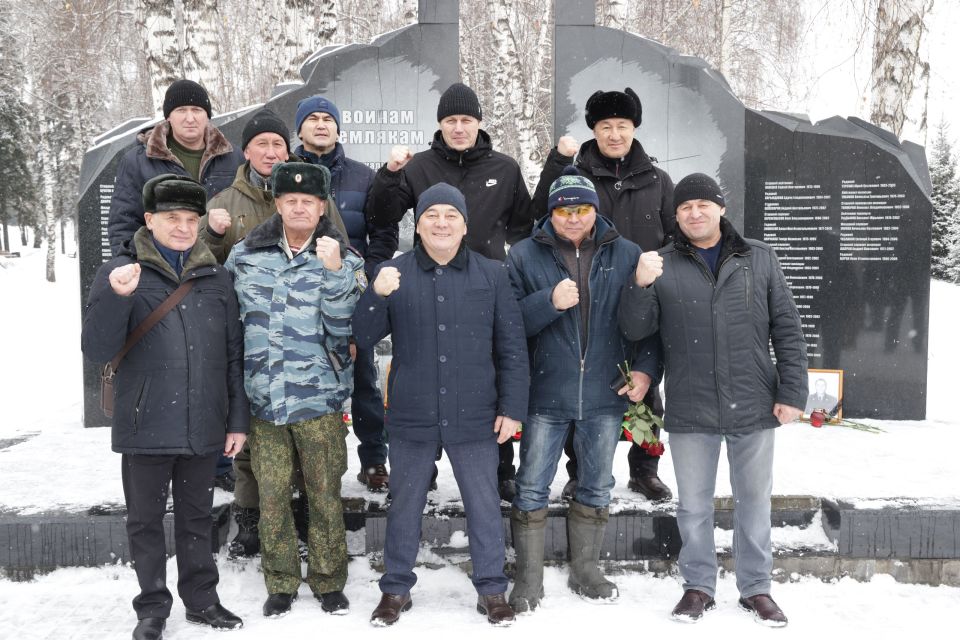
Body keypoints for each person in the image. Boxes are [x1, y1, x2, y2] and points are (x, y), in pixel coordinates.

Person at [619, 173, 807, 626]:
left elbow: (786, 327)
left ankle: (756, 587)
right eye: (685, 207)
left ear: (721, 209)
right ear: (677, 215)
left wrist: (792, 391)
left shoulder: (758, 258)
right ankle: (699, 586)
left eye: (703, 204)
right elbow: (638, 331)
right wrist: (640, 286)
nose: (695, 213)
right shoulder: (661, 263)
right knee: (693, 505)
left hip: (753, 402)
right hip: (691, 405)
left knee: (754, 501)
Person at [354, 183, 529, 627]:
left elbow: (511, 347)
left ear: (465, 225)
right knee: (405, 502)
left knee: (484, 503)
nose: (441, 223)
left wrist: (512, 408)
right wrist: (377, 294)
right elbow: (362, 337)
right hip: (413, 413)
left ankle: (492, 588)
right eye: (432, 215)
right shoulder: (395, 272)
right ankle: (395, 589)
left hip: (475, 413)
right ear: (419, 223)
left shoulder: (492, 274)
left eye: (451, 215)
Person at [82, 174, 247, 639]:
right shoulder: (123, 271)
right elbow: (95, 348)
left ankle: (202, 600)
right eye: (171, 218)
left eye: (190, 219)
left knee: (198, 517)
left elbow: (233, 354)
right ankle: (152, 608)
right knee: (145, 521)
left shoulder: (216, 277)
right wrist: (118, 296)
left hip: (203, 422)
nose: (182, 227)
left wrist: (236, 420)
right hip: (145, 422)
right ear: (150, 219)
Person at [365, 82, 534, 499]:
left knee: (486, 376)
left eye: (467, 120)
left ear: (478, 122)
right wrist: (389, 176)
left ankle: (499, 467)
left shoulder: (506, 168)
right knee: (427, 373)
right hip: (428, 281)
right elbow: (381, 214)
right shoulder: (419, 166)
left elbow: (524, 228)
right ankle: (425, 467)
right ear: (440, 124)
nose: (459, 128)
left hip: (485, 287)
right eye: (450, 121)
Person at [505, 167, 660, 610]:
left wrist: (645, 373)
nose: (573, 218)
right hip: (544, 393)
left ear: (596, 210)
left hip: (603, 395)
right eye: (563, 210)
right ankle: (529, 579)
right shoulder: (523, 256)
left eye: (583, 209)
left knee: (596, 484)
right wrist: (547, 303)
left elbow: (647, 325)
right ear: (550, 212)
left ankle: (587, 570)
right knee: (531, 484)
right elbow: (508, 325)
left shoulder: (626, 253)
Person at [198, 108, 347, 558]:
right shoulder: (225, 199)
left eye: (277, 144)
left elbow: (335, 249)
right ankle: (250, 521)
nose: (270, 151)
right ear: (247, 151)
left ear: (288, 149)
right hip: (254, 336)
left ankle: (301, 520)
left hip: (303, 340)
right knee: (252, 444)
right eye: (261, 144)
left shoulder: (310, 191)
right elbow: (207, 266)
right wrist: (211, 228)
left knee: (304, 443)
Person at [225, 162, 365, 619]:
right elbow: (230, 322)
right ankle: (281, 580)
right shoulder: (245, 256)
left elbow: (346, 328)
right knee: (272, 495)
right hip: (264, 399)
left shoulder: (345, 258)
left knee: (325, 493)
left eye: (309, 201)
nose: (300, 207)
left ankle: (328, 581)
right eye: (291, 200)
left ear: (322, 206)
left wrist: (336, 272)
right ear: (278, 204)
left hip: (320, 399)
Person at [533, 87, 676, 502]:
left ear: (634, 128)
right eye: (606, 126)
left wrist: (652, 276)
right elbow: (541, 212)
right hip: (584, 287)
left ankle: (644, 468)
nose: (615, 134)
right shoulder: (577, 175)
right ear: (594, 130)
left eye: (623, 126)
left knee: (646, 387)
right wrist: (557, 161)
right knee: (585, 385)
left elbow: (672, 238)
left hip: (640, 293)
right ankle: (580, 471)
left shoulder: (657, 180)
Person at [106, 78, 244, 491]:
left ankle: (215, 463)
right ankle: (163, 461)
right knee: (171, 366)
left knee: (211, 364)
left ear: (207, 115)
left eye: (197, 110)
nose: (189, 117)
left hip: (211, 275)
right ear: (168, 116)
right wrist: (132, 269)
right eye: (181, 110)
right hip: (158, 276)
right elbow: (123, 219)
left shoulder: (229, 157)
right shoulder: (140, 159)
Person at [293, 95, 399, 491]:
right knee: (305, 382)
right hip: (300, 298)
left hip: (351, 293)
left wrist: (366, 279)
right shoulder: (285, 173)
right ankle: (306, 464)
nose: (321, 125)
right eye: (313, 119)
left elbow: (383, 232)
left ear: (338, 130)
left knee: (364, 382)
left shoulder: (362, 177)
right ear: (300, 129)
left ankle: (374, 459)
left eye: (328, 120)